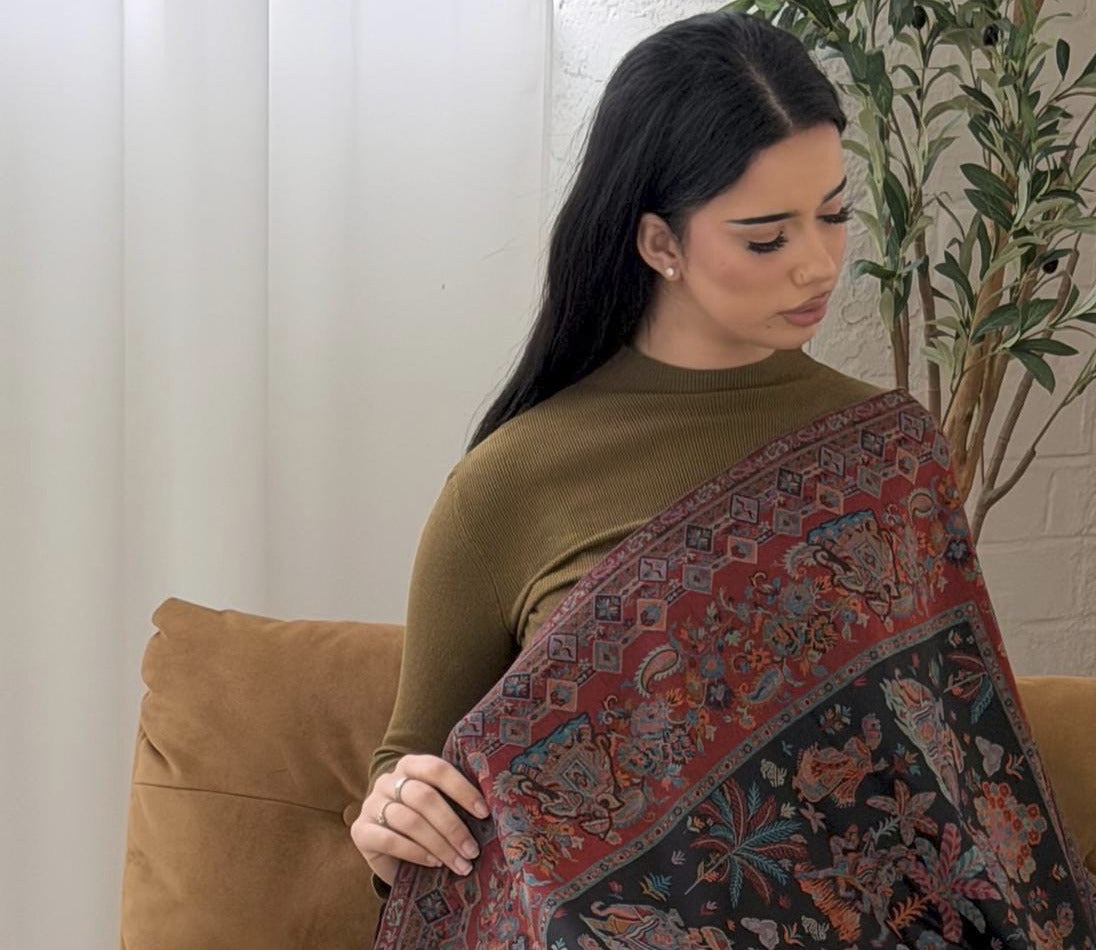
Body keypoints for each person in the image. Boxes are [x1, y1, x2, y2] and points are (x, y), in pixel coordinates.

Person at [347, 10, 889, 902]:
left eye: (834, 216)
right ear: (659, 243)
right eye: (768, 237)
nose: (820, 265)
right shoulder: (511, 483)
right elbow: (417, 775)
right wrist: (396, 813)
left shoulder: (883, 451)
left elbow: (948, 767)